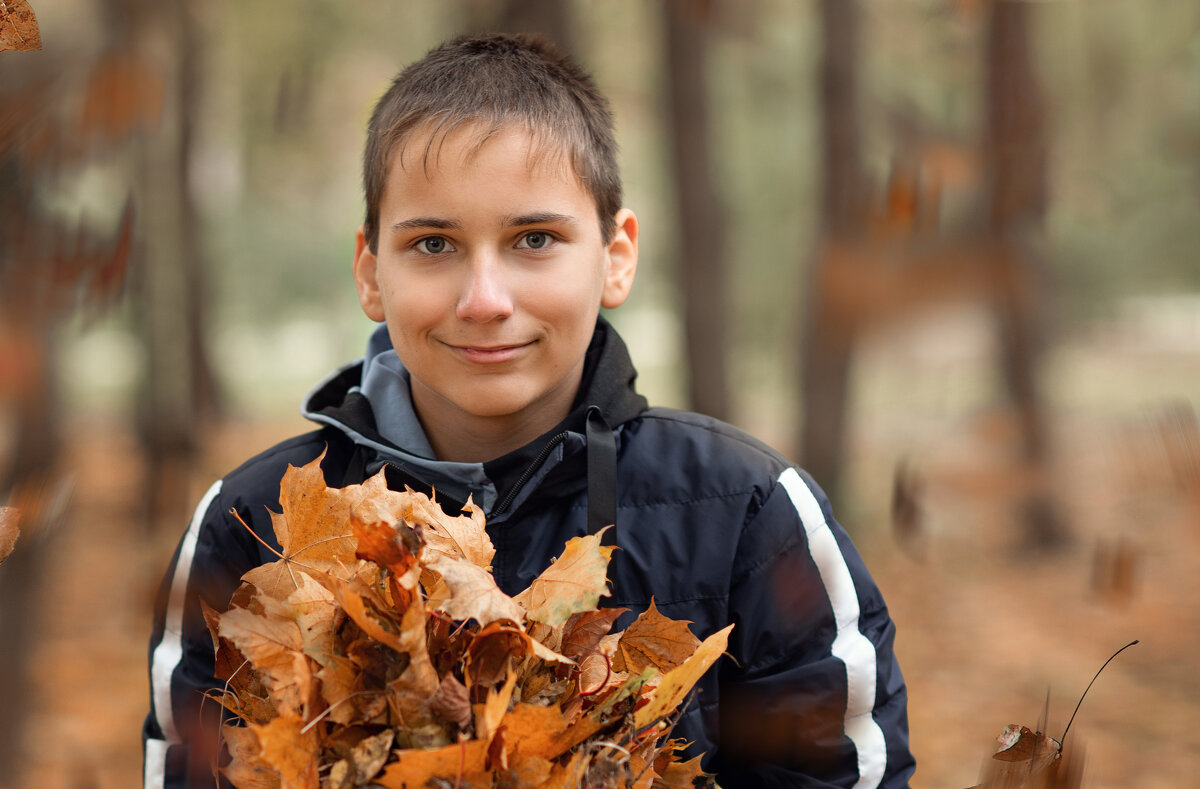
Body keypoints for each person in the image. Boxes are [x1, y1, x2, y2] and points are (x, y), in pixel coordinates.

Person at [143, 33, 915, 788]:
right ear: (370, 270)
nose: (485, 300)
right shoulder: (251, 528)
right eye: (435, 245)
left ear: (616, 256)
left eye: (535, 238)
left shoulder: (747, 513)